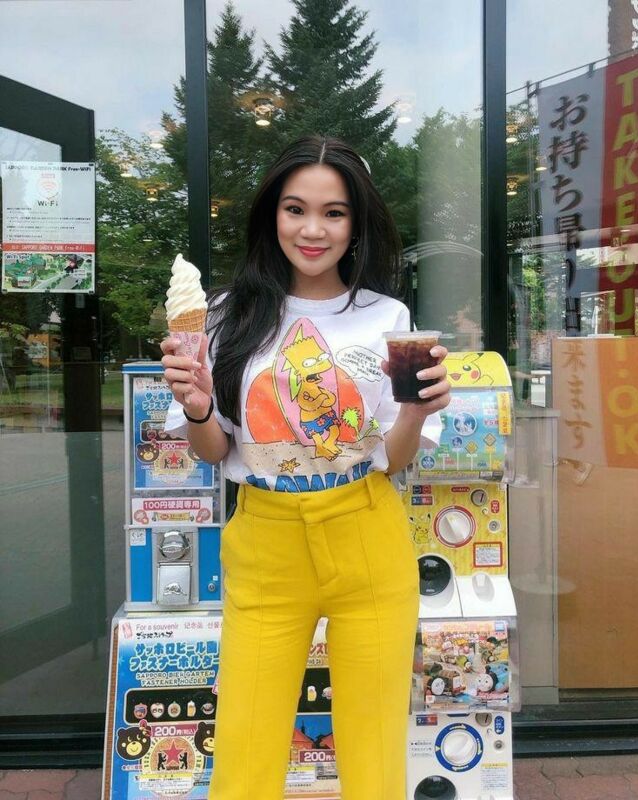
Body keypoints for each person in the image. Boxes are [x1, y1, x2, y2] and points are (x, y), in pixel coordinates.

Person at [161, 135, 451, 800]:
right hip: (266, 541)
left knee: (375, 748)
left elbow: (393, 460)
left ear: (356, 224)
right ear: (273, 215)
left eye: (334, 213)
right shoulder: (227, 315)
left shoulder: (387, 316)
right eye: (296, 209)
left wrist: (415, 409)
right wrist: (200, 407)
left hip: (366, 531)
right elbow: (214, 452)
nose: (312, 230)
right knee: (245, 745)